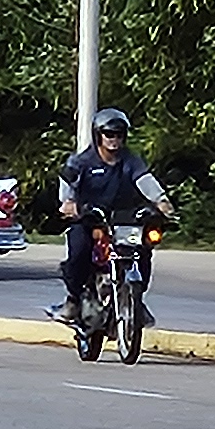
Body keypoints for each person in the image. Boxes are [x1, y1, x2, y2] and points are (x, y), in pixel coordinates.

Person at [58, 107, 176, 320]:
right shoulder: (82, 161)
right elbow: (68, 182)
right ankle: (73, 299)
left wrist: (162, 202)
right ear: (98, 135)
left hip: (122, 220)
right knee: (79, 251)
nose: (114, 139)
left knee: (143, 250)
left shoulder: (130, 160)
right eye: (109, 134)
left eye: (119, 134)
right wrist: (69, 204)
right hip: (89, 219)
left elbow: (145, 180)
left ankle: (135, 300)